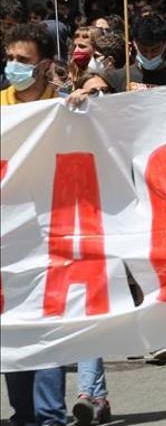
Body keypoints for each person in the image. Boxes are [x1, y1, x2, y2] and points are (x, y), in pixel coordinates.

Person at [3, 23, 71, 426]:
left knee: (47, 331)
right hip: (6, 241)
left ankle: (50, 416)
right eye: (10, 59)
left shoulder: (64, 108)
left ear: (44, 65)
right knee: (11, 330)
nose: (13, 66)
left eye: (22, 61)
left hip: (52, 239)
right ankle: (23, 413)